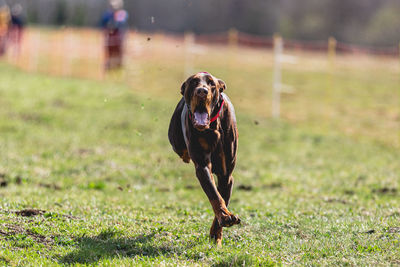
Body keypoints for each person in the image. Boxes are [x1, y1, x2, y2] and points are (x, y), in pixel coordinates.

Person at [101, 0, 129, 70]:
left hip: (118, 38)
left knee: (118, 54)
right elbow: (104, 23)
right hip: (110, 37)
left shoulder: (122, 13)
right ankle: (109, 68)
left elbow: (120, 23)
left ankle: (118, 68)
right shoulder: (107, 14)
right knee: (109, 54)